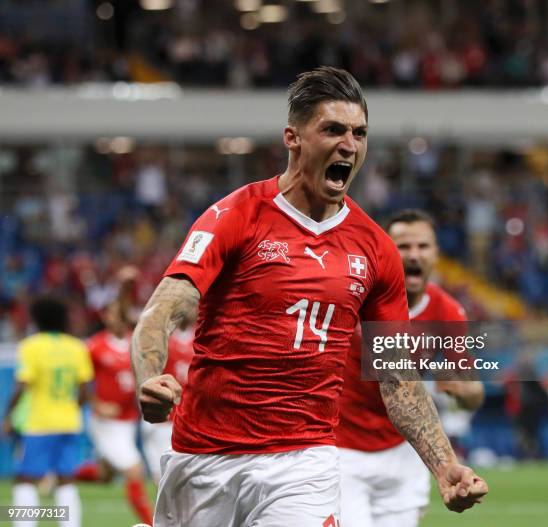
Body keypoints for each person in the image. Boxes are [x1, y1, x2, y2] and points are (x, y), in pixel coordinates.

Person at [132, 67, 488, 527]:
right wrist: (150, 376)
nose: (350, 144)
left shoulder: (375, 248)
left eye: (359, 133)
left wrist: (444, 465)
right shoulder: (237, 215)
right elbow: (163, 308)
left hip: (306, 460)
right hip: (206, 454)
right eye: (333, 130)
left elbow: (398, 376)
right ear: (293, 138)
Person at [337, 209, 485, 527]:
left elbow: (473, 391)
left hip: (405, 452)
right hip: (341, 450)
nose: (413, 254)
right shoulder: (353, 297)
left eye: (423, 246)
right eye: (403, 246)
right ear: (385, 252)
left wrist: (465, 391)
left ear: (436, 254)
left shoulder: (447, 313)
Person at [2, 296, 93, 527]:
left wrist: (8, 416)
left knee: (26, 479)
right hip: (68, 422)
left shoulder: (31, 346)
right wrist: (72, 408)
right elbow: (84, 390)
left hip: (40, 424)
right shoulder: (76, 347)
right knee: (65, 480)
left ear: (37, 319)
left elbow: (21, 386)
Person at [87, 300, 153, 525]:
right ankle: (152, 523)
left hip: (129, 420)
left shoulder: (136, 342)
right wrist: (96, 404)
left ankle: (60, 475)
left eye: (119, 314)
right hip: (107, 423)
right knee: (135, 470)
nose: (115, 318)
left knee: (104, 476)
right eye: (111, 314)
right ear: (105, 317)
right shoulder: (95, 346)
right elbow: (81, 382)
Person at [141, 310, 195, 483]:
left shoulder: (203, 339)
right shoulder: (163, 340)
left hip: (190, 419)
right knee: (163, 475)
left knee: (187, 477)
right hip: (165, 418)